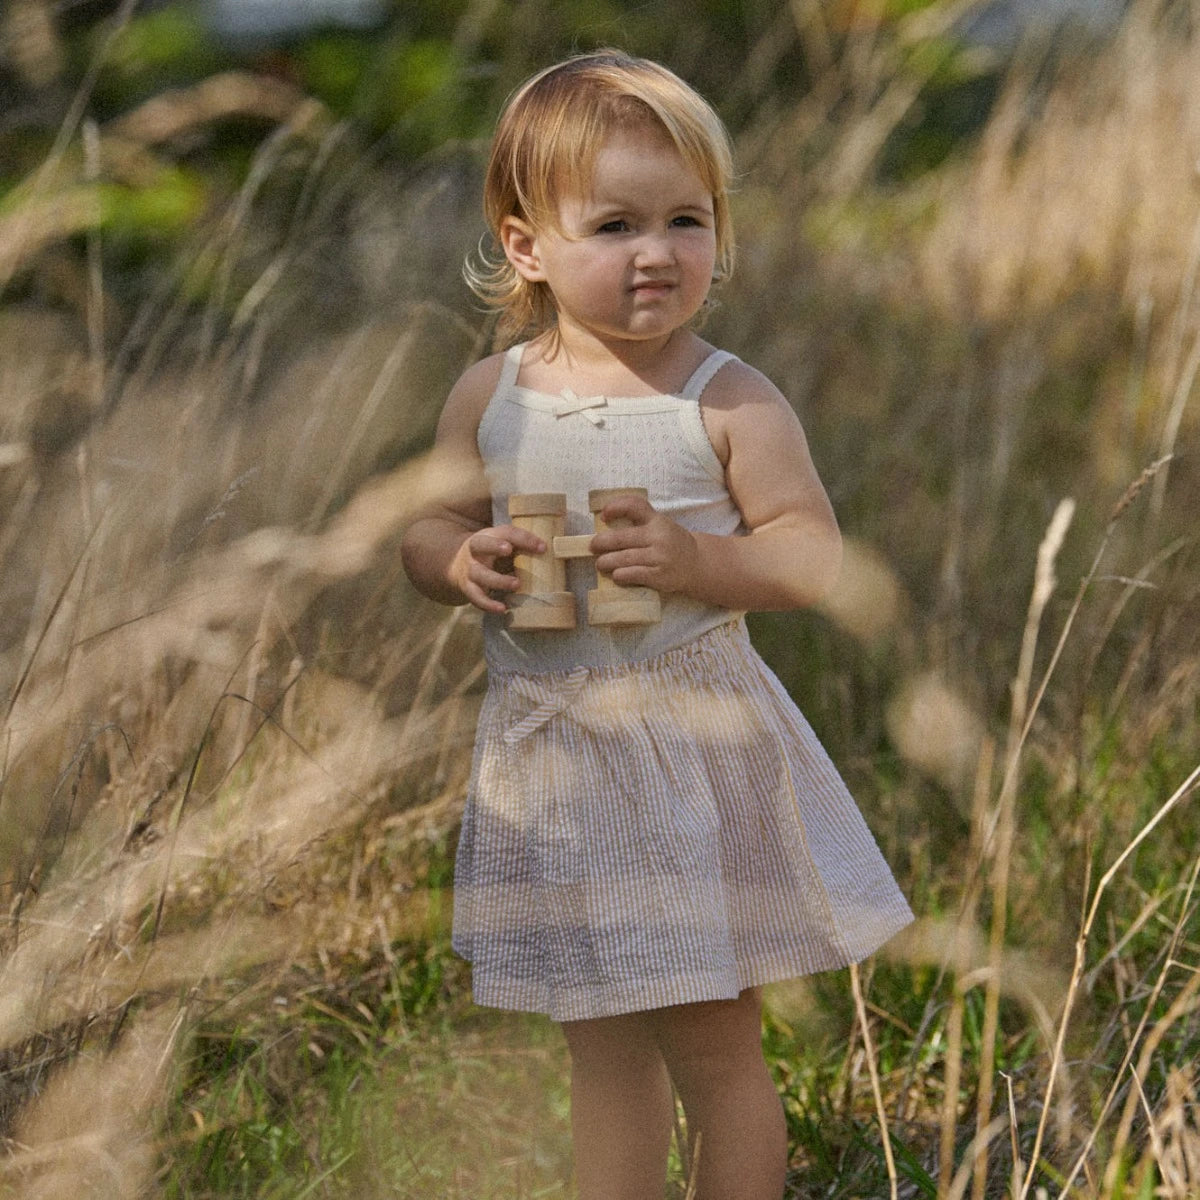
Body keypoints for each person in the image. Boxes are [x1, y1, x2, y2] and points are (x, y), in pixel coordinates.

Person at [400, 48, 913, 1200]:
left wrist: (696, 560)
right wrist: (459, 559)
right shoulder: (493, 396)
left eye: (688, 219)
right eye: (616, 225)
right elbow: (426, 525)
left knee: (715, 1048)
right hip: (553, 763)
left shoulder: (724, 398)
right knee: (601, 1051)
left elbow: (811, 554)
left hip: (687, 756)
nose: (658, 252)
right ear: (526, 245)